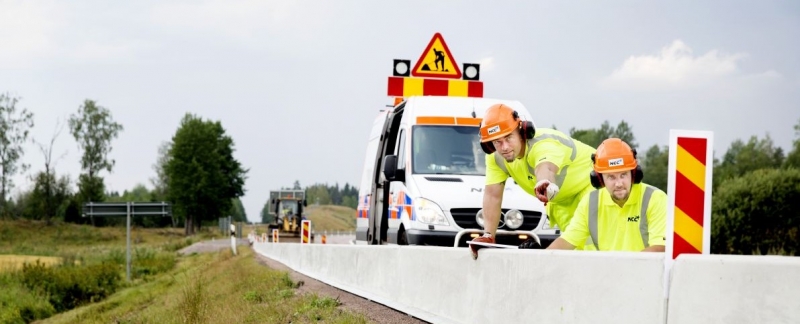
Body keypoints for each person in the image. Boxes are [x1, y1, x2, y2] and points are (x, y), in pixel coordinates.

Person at [470, 103, 596, 257]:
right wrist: (488, 235)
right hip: (562, 202)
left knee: (594, 251)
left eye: (508, 137)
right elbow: (493, 195)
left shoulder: (543, 144)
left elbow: (545, 168)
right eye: (497, 142)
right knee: (573, 256)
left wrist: (544, 182)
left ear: (522, 131)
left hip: (593, 189)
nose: (504, 147)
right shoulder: (496, 158)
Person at [546, 138, 667, 252]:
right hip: (606, 272)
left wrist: (624, 268)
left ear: (634, 174)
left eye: (623, 175)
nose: (619, 183)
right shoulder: (590, 203)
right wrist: (540, 261)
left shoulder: (655, 198)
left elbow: (660, 247)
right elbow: (566, 241)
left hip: (646, 272)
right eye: (611, 177)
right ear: (599, 179)